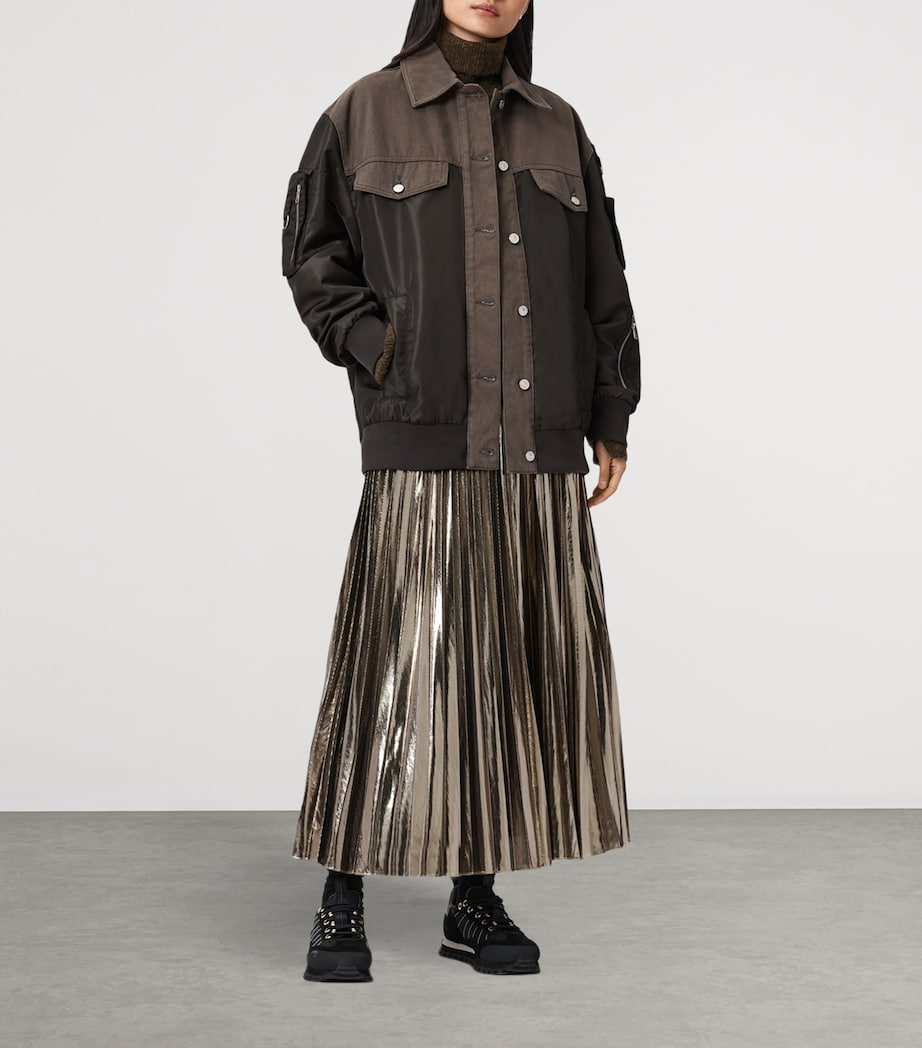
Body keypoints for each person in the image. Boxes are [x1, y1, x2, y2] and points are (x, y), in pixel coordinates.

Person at [280, 0, 641, 982]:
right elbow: (313, 255)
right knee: (390, 671)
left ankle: (472, 897)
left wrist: (611, 412)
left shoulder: (559, 126)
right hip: (422, 432)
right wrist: (377, 347)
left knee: (504, 677)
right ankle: (341, 895)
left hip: (536, 446)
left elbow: (602, 282)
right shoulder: (364, 112)